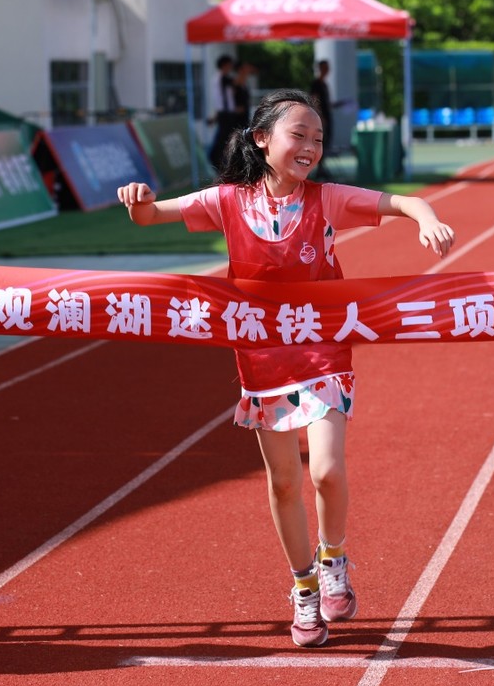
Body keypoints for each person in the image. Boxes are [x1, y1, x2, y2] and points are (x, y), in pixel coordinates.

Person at [117, 89, 455, 648]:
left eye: (318, 139)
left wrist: (428, 219)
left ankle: (334, 558)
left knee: (323, 469)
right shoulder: (227, 201)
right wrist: (137, 200)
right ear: (261, 139)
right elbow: (151, 215)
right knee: (283, 483)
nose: (310, 147)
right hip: (262, 353)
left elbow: (402, 202)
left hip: (321, 344)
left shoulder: (328, 200)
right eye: (298, 135)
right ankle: (303, 590)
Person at [207, 54, 236, 169]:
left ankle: (221, 162)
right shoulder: (221, 79)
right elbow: (220, 100)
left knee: (224, 138)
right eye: (229, 65)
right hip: (225, 114)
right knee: (223, 139)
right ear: (225, 65)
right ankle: (216, 161)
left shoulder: (221, 79)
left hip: (224, 113)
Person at [308, 59, 334, 179]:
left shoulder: (324, 84)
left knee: (326, 143)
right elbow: (314, 100)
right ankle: (319, 169)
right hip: (322, 119)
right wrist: (320, 117)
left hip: (327, 117)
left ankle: (321, 169)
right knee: (320, 142)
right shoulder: (317, 84)